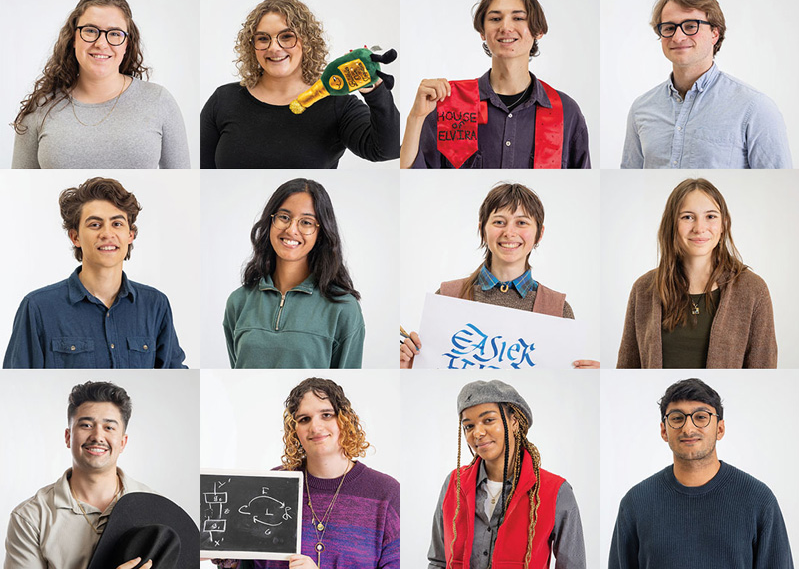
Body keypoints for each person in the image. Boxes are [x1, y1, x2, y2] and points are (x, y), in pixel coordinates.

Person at [400, 182, 598, 368]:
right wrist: (409, 366)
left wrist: (589, 378)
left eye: (521, 222)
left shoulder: (558, 309)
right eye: (499, 222)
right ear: (482, 230)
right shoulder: (447, 296)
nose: (509, 232)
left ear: (540, 233)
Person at [210, 377, 400, 569]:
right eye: (304, 419)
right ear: (295, 430)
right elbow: (248, 563)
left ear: (345, 420)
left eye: (326, 415)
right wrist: (228, 558)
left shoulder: (386, 493)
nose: (315, 427)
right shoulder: (274, 485)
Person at [401, 0, 590, 169]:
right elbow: (416, 173)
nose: (505, 27)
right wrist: (416, 118)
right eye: (495, 19)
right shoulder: (452, 104)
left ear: (538, 30)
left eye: (518, 18)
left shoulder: (566, 112)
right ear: (482, 32)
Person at [608, 378, 794, 568]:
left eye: (701, 417)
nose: (688, 428)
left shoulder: (758, 500)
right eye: (677, 418)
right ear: (664, 431)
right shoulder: (636, 503)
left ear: (720, 429)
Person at [3, 177, 186, 368]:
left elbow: (175, 372)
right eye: (95, 225)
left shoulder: (155, 305)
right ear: (75, 237)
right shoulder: (38, 308)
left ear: (130, 235)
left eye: (117, 224)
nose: (107, 234)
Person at [200, 0, 400, 168]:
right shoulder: (223, 100)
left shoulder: (338, 105)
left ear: (308, 42)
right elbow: (203, 172)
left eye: (287, 36)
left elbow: (387, 150)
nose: (274, 48)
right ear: (252, 46)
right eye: (263, 39)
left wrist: (373, 89)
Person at [620, 0, 792, 169]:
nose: (678, 37)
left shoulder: (755, 109)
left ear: (715, 34)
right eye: (669, 28)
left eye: (691, 26)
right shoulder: (641, 109)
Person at [11, 0, 190, 169]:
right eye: (90, 31)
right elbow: (19, 187)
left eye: (115, 33)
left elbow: (183, 182)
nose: (102, 43)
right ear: (73, 38)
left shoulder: (158, 100)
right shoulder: (41, 107)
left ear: (127, 43)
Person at [617, 178, 776, 368]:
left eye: (710, 216)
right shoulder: (643, 289)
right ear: (672, 224)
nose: (700, 228)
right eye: (687, 217)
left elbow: (763, 368)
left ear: (724, 224)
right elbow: (627, 366)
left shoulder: (752, 290)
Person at [428, 379, 585, 568]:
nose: (477, 433)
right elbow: (438, 561)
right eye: (469, 426)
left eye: (488, 420)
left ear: (514, 422)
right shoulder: (454, 483)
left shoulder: (556, 491)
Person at [4, 381, 156, 569]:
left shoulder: (154, 505)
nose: (97, 436)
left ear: (123, 442)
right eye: (86, 425)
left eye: (109, 427)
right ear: (68, 437)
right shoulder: (30, 517)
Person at [224, 178, 365, 368]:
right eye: (284, 217)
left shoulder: (343, 308)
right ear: (270, 221)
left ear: (321, 232)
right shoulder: (239, 302)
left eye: (306, 222)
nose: (291, 229)